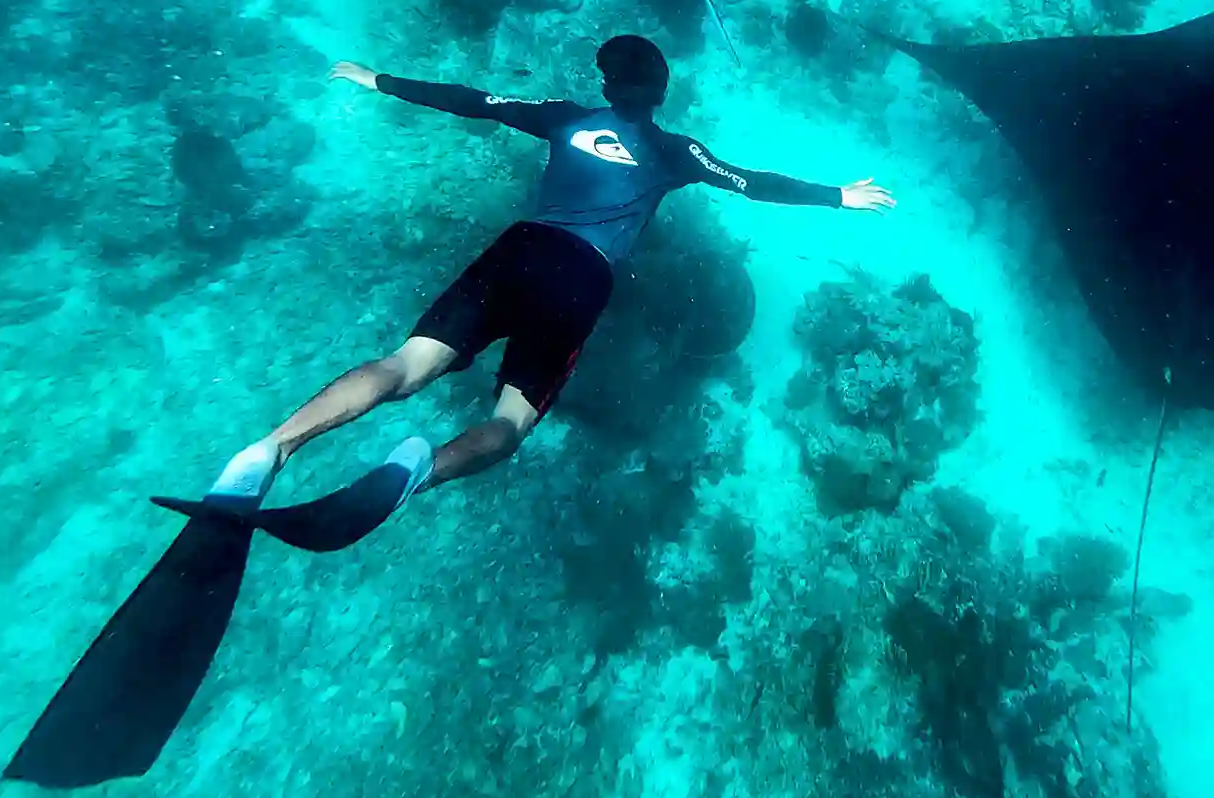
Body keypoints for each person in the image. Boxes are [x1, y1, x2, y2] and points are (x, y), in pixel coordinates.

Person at [203, 34, 894, 527]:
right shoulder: (675, 151)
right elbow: (751, 182)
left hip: (522, 247)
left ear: (605, 86)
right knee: (508, 424)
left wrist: (376, 79)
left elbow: (473, 101)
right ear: (660, 93)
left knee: (404, 365)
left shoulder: (564, 116)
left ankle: (271, 448)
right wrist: (838, 196)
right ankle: (420, 470)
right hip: (582, 276)